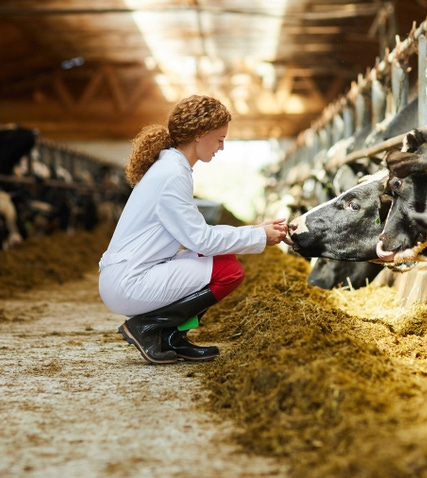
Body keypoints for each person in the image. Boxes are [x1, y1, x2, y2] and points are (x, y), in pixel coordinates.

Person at [98, 95, 288, 364]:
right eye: (220, 139)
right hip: (130, 282)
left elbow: (196, 233)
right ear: (200, 134)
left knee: (224, 262)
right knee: (229, 271)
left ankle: (172, 338)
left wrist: (257, 228)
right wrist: (258, 236)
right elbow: (201, 240)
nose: (221, 148)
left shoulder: (172, 168)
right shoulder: (172, 174)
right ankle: (149, 327)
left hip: (132, 272)